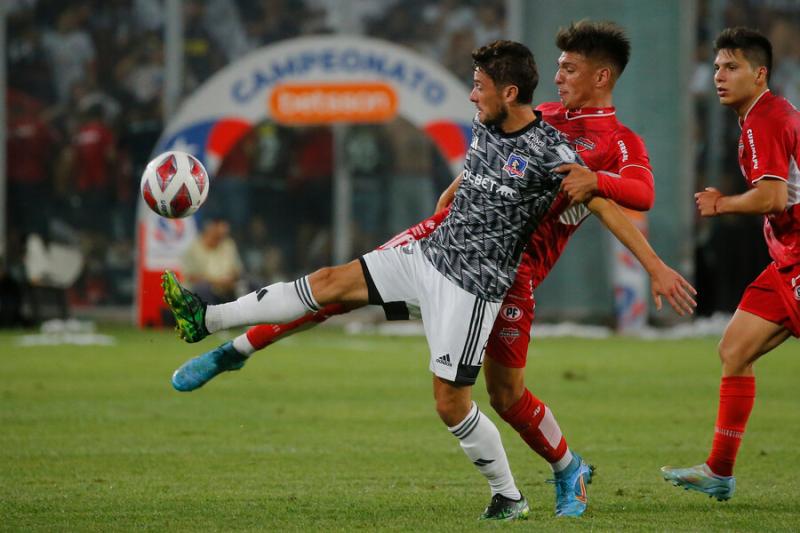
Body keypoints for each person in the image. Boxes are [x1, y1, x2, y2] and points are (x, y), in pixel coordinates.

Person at [169, 23, 689, 518]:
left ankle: (563, 469)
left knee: (504, 396)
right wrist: (458, 187)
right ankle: (230, 341)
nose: (559, 77)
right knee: (334, 287)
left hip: (506, 275)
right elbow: (494, 149)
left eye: (570, 69)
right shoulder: (537, 113)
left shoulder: (613, 143)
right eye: (557, 67)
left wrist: (605, 197)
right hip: (441, 240)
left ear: (601, 76)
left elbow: (637, 195)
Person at [661, 27, 799, 501]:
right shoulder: (762, 115)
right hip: (787, 258)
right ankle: (719, 472)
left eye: (732, 67)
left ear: (760, 75)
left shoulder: (766, 118)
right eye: (718, 66)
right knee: (734, 351)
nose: (719, 75)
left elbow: (774, 196)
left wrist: (724, 204)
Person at [181, 217, 243, 304]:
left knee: (248, 285)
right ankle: (209, 317)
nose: (220, 239)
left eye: (223, 236)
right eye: (217, 235)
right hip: (204, 287)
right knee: (203, 289)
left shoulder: (228, 244)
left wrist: (231, 279)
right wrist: (216, 282)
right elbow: (191, 277)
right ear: (209, 230)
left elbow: (237, 270)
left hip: (227, 286)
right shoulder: (193, 247)